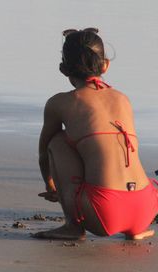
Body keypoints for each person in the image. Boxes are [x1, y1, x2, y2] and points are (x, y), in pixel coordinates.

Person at [36, 28, 158, 240]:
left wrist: (51, 184)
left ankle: (73, 227)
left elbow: (43, 155)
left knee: (57, 141)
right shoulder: (122, 98)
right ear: (105, 65)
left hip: (105, 212)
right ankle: (136, 229)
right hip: (147, 206)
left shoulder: (59, 103)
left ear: (63, 69)